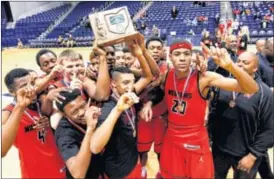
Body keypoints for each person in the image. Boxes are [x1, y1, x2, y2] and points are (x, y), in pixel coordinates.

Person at [141, 40, 259, 178]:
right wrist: (148, 104)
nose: (182, 58)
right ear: (170, 57)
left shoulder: (204, 77)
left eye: (186, 53)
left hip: (195, 138)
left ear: (192, 56)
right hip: (172, 136)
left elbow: (252, 88)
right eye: (177, 54)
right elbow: (156, 91)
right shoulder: (167, 75)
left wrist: (230, 66)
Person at [90, 34, 157, 178]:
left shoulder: (129, 93)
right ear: (113, 84)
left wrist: (139, 54)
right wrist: (117, 110)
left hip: (132, 160)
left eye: (132, 82)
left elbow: (148, 77)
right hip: (119, 170)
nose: (131, 86)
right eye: (125, 83)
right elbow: (95, 147)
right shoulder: (109, 107)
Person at [210, 52, 274, 179]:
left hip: (246, 154)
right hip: (220, 151)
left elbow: (270, 129)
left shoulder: (264, 93)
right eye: (238, 61)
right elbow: (214, 113)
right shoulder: (225, 84)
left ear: (255, 68)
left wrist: (253, 155)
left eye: (246, 62)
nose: (240, 64)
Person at [2, 68, 65, 178]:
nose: (31, 88)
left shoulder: (40, 103)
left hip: (60, 167)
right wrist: (20, 106)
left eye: (32, 83)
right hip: (34, 173)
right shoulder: (8, 112)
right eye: (24, 86)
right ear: (12, 92)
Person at [55, 89, 104, 179]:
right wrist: (90, 129)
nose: (82, 112)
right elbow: (78, 174)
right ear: (65, 115)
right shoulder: (64, 133)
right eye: (75, 112)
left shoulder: (92, 113)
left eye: (83, 106)